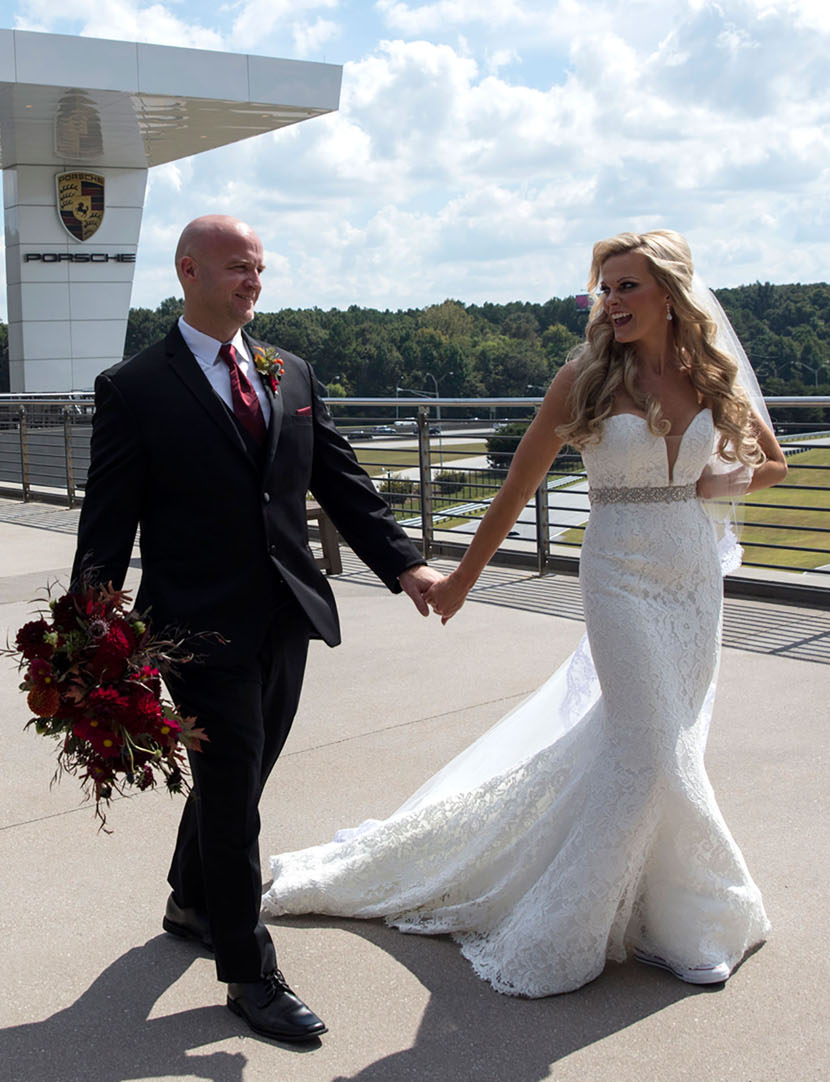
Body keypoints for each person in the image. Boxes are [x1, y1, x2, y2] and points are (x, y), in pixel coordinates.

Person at [261, 229, 788, 998]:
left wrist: (716, 486)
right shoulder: (583, 379)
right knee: (647, 746)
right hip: (617, 575)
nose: (611, 302)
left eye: (627, 287)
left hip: (692, 578)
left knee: (666, 741)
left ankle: (673, 919)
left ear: (671, 294)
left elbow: (773, 461)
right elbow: (516, 488)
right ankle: (583, 929)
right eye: (604, 288)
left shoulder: (712, 372)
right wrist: (463, 580)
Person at [70, 215, 444, 1041]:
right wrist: (90, 635)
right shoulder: (134, 387)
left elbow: (340, 479)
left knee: (243, 773)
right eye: (239, 269)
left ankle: (191, 897)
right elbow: (106, 524)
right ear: (188, 272)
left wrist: (407, 566)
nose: (254, 283)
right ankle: (249, 973)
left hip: (286, 614)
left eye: (261, 270)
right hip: (195, 627)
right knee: (236, 794)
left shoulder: (289, 370)